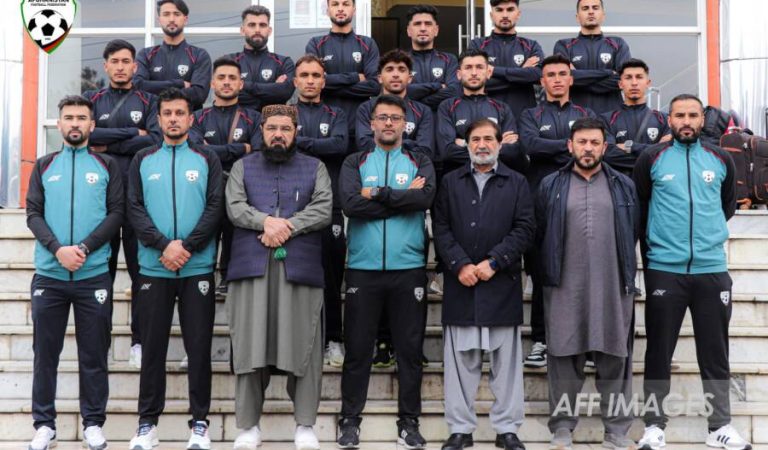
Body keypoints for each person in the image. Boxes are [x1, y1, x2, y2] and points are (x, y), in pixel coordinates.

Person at [634, 94, 752, 450]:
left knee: (715, 352)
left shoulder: (720, 159)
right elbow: (641, 207)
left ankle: (719, 427)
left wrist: (704, 238)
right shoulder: (651, 158)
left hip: (711, 269)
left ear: (703, 120)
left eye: (693, 115)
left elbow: (726, 207)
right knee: (658, 351)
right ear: (668, 119)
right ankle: (654, 427)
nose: (686, 121)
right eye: (680, 115)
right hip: (664, 270)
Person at [225, 104, 333, 450]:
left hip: (299, 268)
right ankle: (248, 427)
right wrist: (264, 222)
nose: (278, 135)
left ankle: (304, 425)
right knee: (249, 346)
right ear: (262, 130)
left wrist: (285, 226)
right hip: (251, 267)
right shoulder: (242, 167)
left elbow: (323, 208)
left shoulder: (315, 168)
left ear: (295, 132)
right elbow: (235, 206)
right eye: (272, 128)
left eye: (285, 129)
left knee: (305, 345)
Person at [337, 95, 436, 449]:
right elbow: (350, 203)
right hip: (362, 269)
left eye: (396, 118)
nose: (389, 124)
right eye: (383, 118)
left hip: (408, 269)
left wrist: (376, 194)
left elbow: (424, 200)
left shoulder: (419, 159)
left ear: (405, 124)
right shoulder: (355, 160)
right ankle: (350, 420)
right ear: (372, 123)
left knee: (409, 350)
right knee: (358, 350)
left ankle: (409, 422)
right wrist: (398, 201)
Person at [127, 88, 223, 450]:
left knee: (198, 348)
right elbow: (133, 208)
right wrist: (163, 244)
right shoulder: (142, 159)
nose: (173, 119)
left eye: (179, 113)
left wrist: (186, 246)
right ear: (158, 119)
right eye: (167, 113)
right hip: (154, 268)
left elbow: (215, 207)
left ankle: (199, 422)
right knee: (152, 349)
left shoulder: (206, 158)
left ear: (190, 118)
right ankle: (147, 424)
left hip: (196, 267)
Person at [26, 95, 123, 450]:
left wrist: (81, 249)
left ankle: (93, 423)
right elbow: (33, 213)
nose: (76, 123)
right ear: (60, 123)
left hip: (92, 275)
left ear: (92, 124)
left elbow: (116, 215)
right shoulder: (44, 165)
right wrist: (58, 250)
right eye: (69, 117)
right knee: (45, 354)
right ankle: (44, 425)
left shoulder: (107, 165)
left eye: (82, 117)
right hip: (50, 276)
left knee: (94, 354)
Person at [537, 117, 639, 450]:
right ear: (570, 145)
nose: (588, 148)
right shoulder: (550, 184)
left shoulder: (623, 184)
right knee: (563, 357)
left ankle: (617, 430)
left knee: (616, 357)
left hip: (612, 284)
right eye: (581, 142)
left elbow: (634, 229)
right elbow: (539, 233)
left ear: (604, 147)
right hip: (564, 285)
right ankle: (563, 426)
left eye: (595, 142)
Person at [434, 118, 535, 450]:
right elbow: (442, 226)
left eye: (488, 139)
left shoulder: (517, 182)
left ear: (499, 143)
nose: (482, 145)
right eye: (475, 139)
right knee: (461, 363)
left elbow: (524, 228)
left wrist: (494, 261)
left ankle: (507, 429)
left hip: (500, 282)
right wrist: (460, 264)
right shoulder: (450, 182)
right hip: (460, 282)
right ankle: (460, 429)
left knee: (506, 367)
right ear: (466, 143)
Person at [83, 39, 161, 369]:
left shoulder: (149, 99)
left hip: (137, 198)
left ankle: (139, 341)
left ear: (134, 66)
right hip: (99, 201)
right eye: (114, 61)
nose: (120, 66)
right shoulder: (92, 99)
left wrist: (108, 137)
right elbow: (87, 137)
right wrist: (132, 131)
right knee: (102, 273)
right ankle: (99, 342)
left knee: (141, 273)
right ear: (105, 66)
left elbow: (154, 139)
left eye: (126, 61)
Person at [355, 49, 435, 367]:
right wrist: (403, 194)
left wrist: (377, 193)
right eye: (390, 69)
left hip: (407, 234)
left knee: (407, 280)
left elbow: (426, 149)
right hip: (372, 238)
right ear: (380, 77)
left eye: (402, 69)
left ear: (410, 77)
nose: (396, 74)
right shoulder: (365, 108)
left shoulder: (423, 111)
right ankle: (383, 343)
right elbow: (365, 145)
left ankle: (408, 349)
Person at [518, 54, 597, 369]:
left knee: (582, 273)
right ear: (542, 81)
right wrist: (568, 144)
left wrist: (550, 143)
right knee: (542, 275)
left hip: (581, 200)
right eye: (550, 74)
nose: (556, 79)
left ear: (571, 79)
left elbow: (590, 148)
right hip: (541, 203)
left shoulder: (586, 113)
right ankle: (542, 339)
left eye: (562, 74)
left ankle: (587, 343)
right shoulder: (530, 113)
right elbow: (529, 145)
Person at [292, 54, 350, 368]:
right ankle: (300, 340)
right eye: (305, 75)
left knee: (331, 275)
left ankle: (334, 340)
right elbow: (279, 146)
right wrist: (316, 144)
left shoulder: (336, 113)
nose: (311, 80)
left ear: (323, 81)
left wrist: (301, 143)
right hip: (291, 207)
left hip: (330, 205)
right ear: (295, 80)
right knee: (295, 278)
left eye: (316, 75)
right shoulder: (285, 113)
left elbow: (339, 146)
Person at [189, 56, 263, 295]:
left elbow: (259, 152)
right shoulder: (198, 118)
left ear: (241, 84)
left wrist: (214, 149)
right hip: (207, 186)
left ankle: (227, 277)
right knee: (206, 230)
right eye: (221, 78)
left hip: (241, 186)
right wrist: (241, 148)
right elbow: (197, 151)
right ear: (212, 83)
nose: (227, 82)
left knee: (235, 231)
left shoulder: (254, 118)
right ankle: (202, 275)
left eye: (233, 78)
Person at [436, 48, 528, 176]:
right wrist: (496, 145)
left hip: (497, 182)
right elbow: (447, 152)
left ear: (488, 72)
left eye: (479, 67)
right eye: (468, 67)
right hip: (459, 182)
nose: (474, 73)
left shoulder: (502, 108)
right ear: (459, 74)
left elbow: (512, 152)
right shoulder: (447, 107)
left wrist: (463, 143)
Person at [305, 0, 380, 148]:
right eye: (335, 4)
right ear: (328, 10)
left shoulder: (367, 44)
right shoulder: (316, 44)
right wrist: (355, 77)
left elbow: (374, 86)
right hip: (325, 128)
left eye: (345, 4)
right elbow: (314, 84)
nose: (340, 8)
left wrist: (328, 82)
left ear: (354, 9)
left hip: (359, 128)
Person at [553, 0, 631, 114]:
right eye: (585, 8)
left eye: (595, 8)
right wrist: (608, 73)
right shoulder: (564, 46)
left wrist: (578, 78)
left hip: (613, 118)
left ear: (603, 15)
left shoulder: (618, 44)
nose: (590, 12)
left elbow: (623, 80)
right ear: (577, 17)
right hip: (575, 117)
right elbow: (564, 79)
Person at [468, 0, 544, 118]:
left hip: (523, 120)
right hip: (486, 120)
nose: (504, 15)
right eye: (499, 10)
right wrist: (521, 73)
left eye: (510, 9)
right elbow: (477, 82)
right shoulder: (477, 45)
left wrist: (494, 71)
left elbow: (537, 74)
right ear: (491, 15)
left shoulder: (531, 46)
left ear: (518, 14)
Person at [133, 0, 212, 111]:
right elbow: (138, 87)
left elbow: (199, 94)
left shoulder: (199, 55)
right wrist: (179, 83)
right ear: (159, 20)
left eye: (176, 14)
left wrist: (154, 90)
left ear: (185, 19)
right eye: (166, 14)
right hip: (153, 125)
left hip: (190, 126)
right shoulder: (146, 55)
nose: (171, 19)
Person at [601, 58, 671, 176]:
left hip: (653, 189)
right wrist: (654, 149)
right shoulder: (607, 120)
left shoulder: (664, 120)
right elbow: (608, 155)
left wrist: (630, 147)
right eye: (628, 78)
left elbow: (667, 156)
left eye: (639, 77)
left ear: (648, 83)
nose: (634, 83)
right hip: (620, 187)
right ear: (620, 84)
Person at [228, 5, 296, 110]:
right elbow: (227, 94)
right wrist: (273, 89)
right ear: (242, 30)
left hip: (272, 124)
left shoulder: (283, 62)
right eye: (252, 25)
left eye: (262, 25)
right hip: (239, 123)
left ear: (269, 30)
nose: (257, 30)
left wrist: (244, 85)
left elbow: (284, 92)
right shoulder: (230, 61)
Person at [405, 4, 460, 111]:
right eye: (417, 24)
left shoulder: (449, 60)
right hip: (409, 122)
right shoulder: (400, 61)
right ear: (409, 30)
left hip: (441, 121)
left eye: (428, 24)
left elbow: (454, 91)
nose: (423, 28)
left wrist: (419, 102)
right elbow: (399, 91)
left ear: (436, 30)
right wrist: (438, 86)